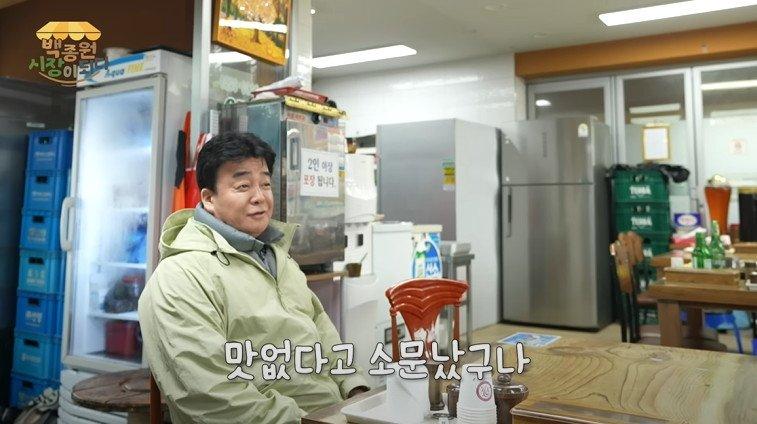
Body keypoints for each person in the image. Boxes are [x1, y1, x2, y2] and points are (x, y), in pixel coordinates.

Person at [138, 132, 369, 423]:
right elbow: (211, 397)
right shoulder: (182, 276)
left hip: (333, 412)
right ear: (209, 199)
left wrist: (355, 387)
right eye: (243, 186)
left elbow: (320, 326)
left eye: (265, 184)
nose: (260, 197)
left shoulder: (276, 256)